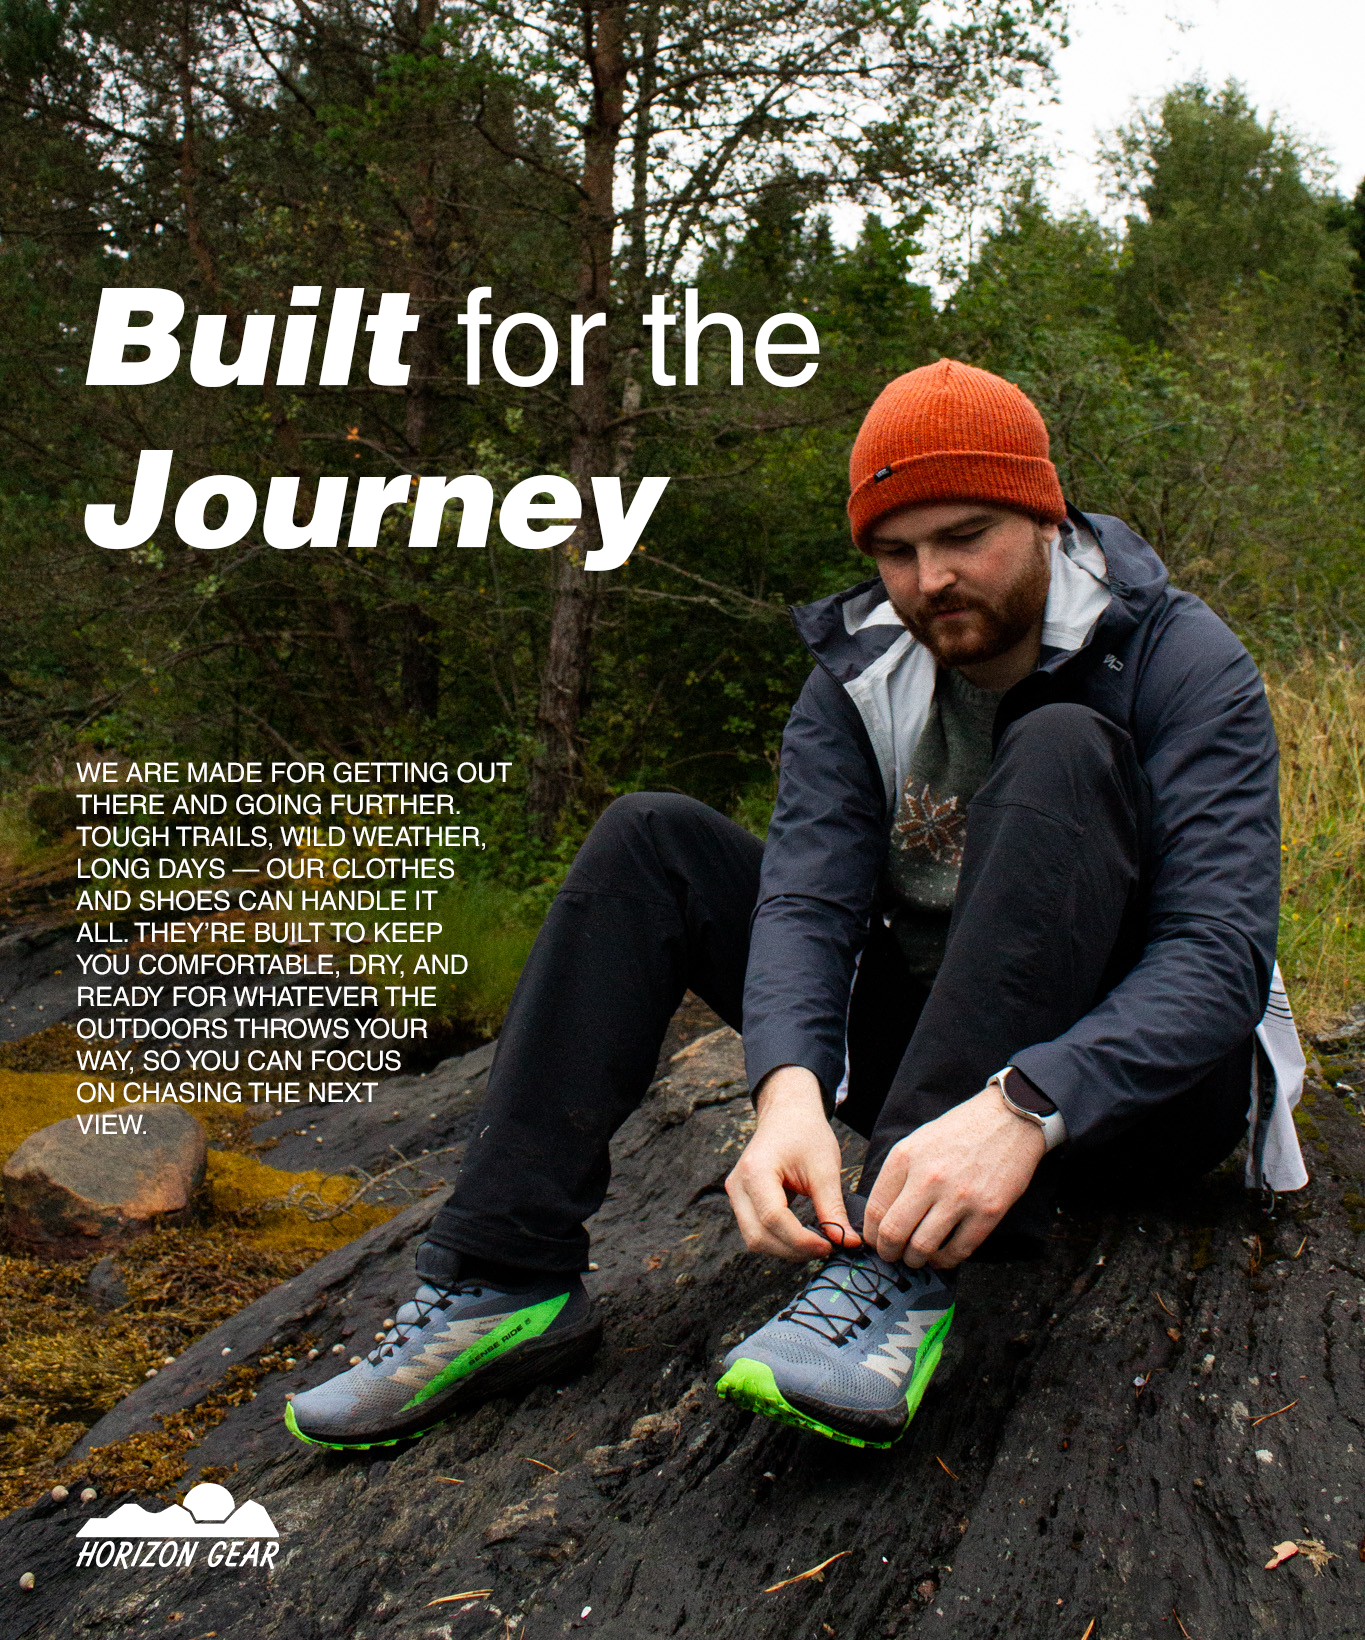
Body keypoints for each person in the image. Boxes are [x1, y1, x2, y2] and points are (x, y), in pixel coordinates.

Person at [286, 358, 1306, 1454]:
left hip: (1138, 1096)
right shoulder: (859, 671)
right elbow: (806, 903)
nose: (931, 579)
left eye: (966, 535)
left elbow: (1217, 960)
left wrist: (1024, 1102)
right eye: (897, 550)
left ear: (1043, 514)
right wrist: (787, 1089)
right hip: (936, 1080)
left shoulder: (1176, 655)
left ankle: (891, 1281)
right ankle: (502, 1273)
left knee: (1060, 746)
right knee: (652, 837)